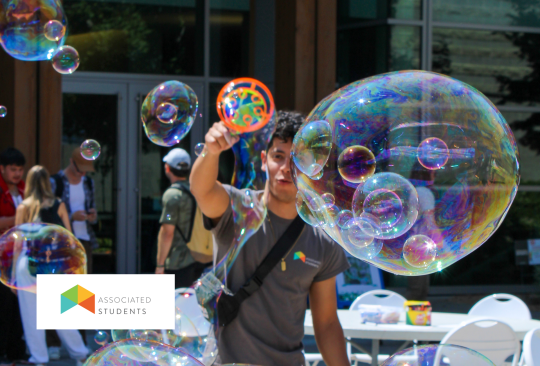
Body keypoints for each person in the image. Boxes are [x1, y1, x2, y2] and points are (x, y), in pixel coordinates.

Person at [190, 111, 351, 366]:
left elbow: (327, 323)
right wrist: (211, 151)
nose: (286, 168)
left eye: (298, 160)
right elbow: (202, 189)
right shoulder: (236, 208)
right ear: (264, 160)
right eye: (279, 157)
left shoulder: (323, 239)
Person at [15, 165, 89, 366]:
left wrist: (13, 274)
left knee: (31, 316)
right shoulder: (59, 204)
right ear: (48, 182)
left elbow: (18, 244)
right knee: (61, 313)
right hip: (54, 265)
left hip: (28, 263)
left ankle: (38, 358)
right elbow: (70, 239)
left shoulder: (24, 207)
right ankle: (80, 354)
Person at [155, 148, 213, 288]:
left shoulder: (172, 196)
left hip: (178, 261)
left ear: (167, 168)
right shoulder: (197, 191)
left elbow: (167, 232)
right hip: (200, 257)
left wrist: (160, 265)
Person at [50, 148, 98, 274]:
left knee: (84, 286)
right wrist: (71, 217)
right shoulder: (55, 182)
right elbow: (50, 214)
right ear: (71, 162)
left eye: (85, 171)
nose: (83, 174)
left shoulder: (88, 182)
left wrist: (93, 216)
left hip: (84, 238)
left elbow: (92, 206)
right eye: (80, 170)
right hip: (63, 240)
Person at [0, 148, 27, 365]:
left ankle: (16, 350)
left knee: (20, 302)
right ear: (2, 169)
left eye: (20, 169)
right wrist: (19, 220)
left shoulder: (25, 190)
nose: (17, 174)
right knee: (3, 302)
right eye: (12, 169)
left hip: (22, 254)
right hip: (3, 253)